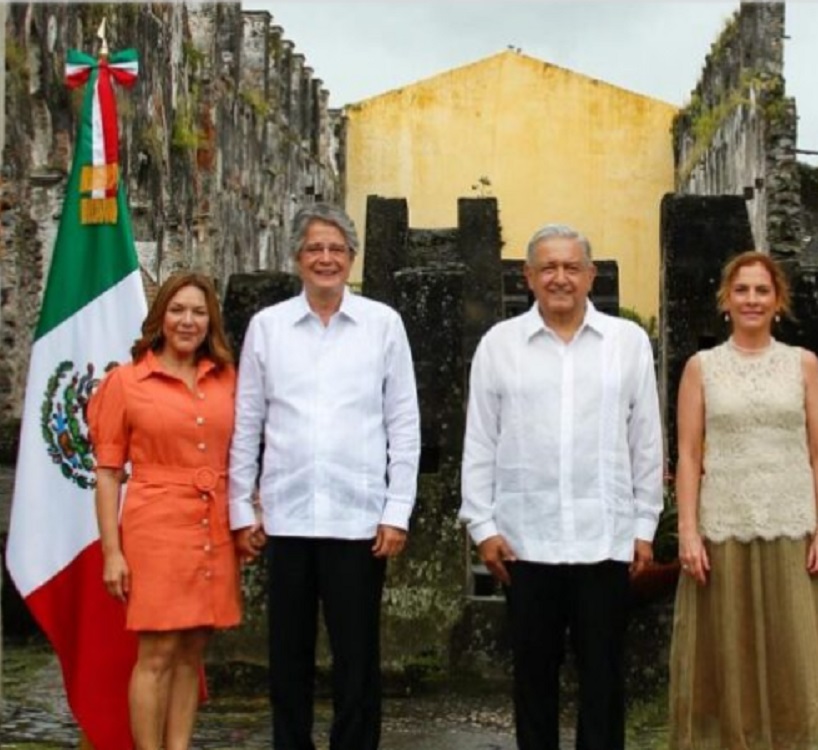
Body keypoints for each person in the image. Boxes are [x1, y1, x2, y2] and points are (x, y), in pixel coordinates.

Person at [460, 223, 663, 750]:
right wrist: (481, 526)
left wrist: (644, 527)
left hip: (605, 540)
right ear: (527, 277)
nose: (560, 278)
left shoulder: (627, 343)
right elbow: (480, 440)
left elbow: (646, 442)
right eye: (547, 267)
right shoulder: (500, 346)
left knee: (603, 680)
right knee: (532, 682)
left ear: (591, 275)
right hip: (526, 541)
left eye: (572, 267)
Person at [228, 202, 420, 750]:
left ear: (352, 257)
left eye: (336, 249)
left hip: (357, 519)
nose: (326, 259)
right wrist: (242, 508)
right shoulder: (268, 328)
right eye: (315, 248)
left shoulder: (383, 325)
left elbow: (403, 424)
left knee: (357, 658)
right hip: (284, 517)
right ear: (297, 257)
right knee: (286, 656)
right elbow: (248, 422)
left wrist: (396, 511)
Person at [668, 251, 818, 749]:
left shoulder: (803, 365)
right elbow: (687, 453)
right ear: (726, 299)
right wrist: (687, 531)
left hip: (794, 527)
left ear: (778, 300)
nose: (751, 300)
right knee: (730, 655)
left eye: (761, 290)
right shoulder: (701, 369)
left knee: (795, 653)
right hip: (723, 527)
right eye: (742, 290)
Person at [87, 272, 241, 750]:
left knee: (192, 649)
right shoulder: (126, 382)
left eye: (198, 312)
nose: (187, 321)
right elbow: (109, 473)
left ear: (210, 320)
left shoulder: (228, 379)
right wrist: (112, 552)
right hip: (154, 525)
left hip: (211, 523)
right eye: (177, 310)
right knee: (157, 650)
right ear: (160, 319)